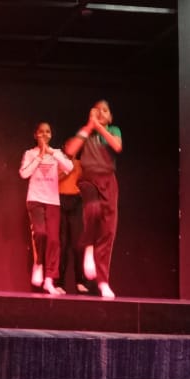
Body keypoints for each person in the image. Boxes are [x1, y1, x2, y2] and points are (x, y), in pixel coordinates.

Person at [63, 100, 123, 299]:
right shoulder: (86, 132)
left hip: (108, 181)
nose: (101, 113)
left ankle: (103, 281)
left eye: (105, 110)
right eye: (97, 110)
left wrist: (99, 127)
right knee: (93, 210)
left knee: (108, 230)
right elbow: (70, 150)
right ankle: (88, 246)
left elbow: (117, 146)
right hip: (89, 179)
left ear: (110, 116)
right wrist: (90, 126)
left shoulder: (113, 130)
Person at [19, 122, 73, 295]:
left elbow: (69, 167)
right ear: (35, 135)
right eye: (41, 132)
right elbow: (24, 174)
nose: (44, 134)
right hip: (35, 199)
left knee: (54, 240)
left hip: (52, 201)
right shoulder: (30, 153)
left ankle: (49, 279)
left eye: (47, 132)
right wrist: (40, 156)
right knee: (40, 233)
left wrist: (51, 153)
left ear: (50, 135)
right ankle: (39, 263)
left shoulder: (56, 153)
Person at [55, 153, 88, 294]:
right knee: (62, 244)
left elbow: (86, 180)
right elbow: (55, 179)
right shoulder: (59, 162)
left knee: (77, 243)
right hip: (60, 199)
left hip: (75, 201)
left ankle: (80, 281)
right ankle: (59, 282)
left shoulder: (80, 164)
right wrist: (67, 168)